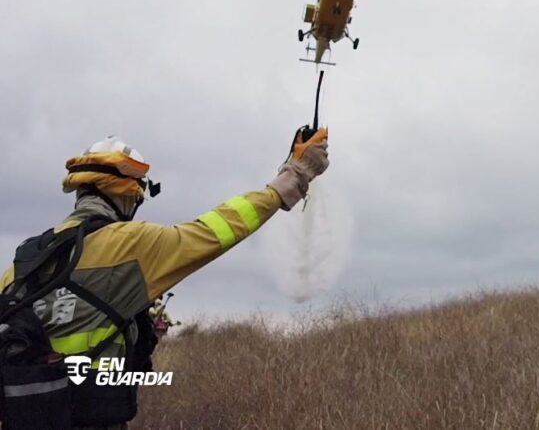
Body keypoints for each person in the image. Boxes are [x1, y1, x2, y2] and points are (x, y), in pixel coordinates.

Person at [0, 131, 328, 429]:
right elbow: (218, 230)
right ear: (129, 195)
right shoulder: (131, 245)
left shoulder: (23, 260)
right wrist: (293, 177)